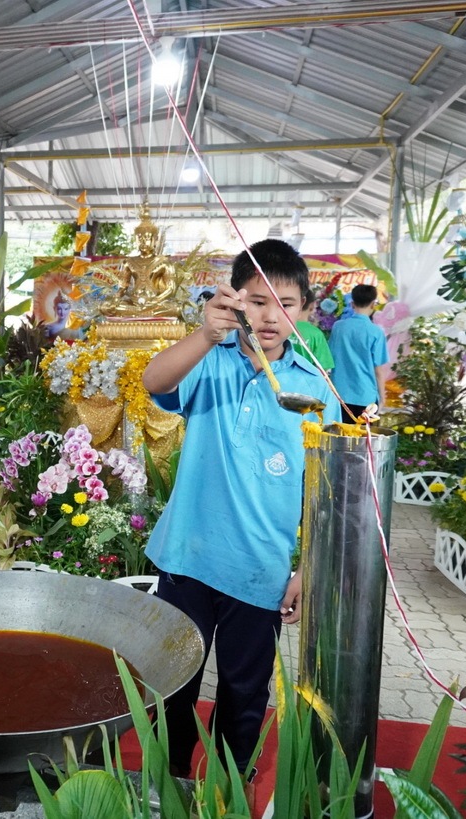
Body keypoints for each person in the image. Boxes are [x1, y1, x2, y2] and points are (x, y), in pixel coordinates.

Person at [141, 238, 337, 776]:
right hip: (187, 558)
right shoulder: (210, 361)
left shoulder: (314, 390)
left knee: (245, 694)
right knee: (173, 687)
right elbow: (154, 381)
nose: (270, 316)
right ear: (233, 300)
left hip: (261, 571)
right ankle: (167, 787)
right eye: (256, 300)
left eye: (285, 304)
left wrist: (306, 567)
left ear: (305, 310)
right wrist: (206, 335)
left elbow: (321, 492)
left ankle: (230, 790)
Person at [328, 284, 388, 419]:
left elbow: (330, 358)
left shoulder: (338, 327)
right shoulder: (376, 332)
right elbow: (378, 371)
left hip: (339, 394)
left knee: (339, 431)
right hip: (366, 396)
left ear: (352, 304)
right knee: (363, 432)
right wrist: (382, 398)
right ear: (373, 304)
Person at [291, 287, 335, 374]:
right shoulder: (316, 334)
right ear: (311, 306)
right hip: (305, 380)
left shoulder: (283, 327)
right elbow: (324, 368)